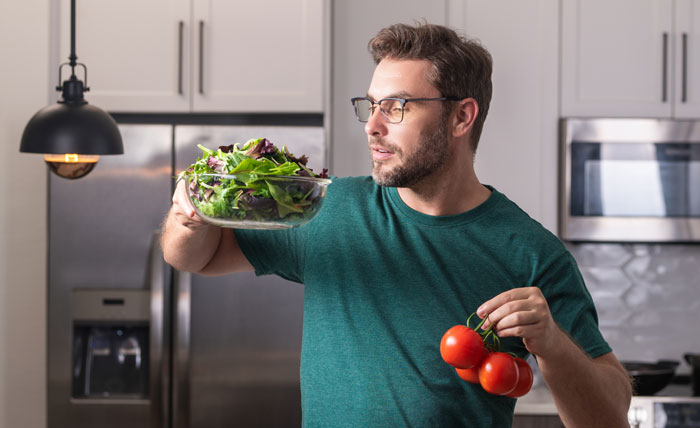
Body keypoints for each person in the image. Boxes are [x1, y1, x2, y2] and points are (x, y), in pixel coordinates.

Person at [162, 22, 632, 428]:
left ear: (461, 117)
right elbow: (195, 256)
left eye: (398, 106)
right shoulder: (330, 209)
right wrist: (190, 213)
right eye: (371, 106)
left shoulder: (530, 252)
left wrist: (550, 344)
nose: (372, 126)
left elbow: (609, 418)